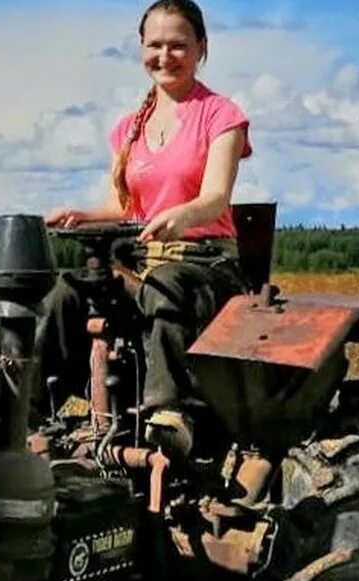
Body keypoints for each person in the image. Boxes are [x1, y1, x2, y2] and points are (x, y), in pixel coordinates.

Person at [44, 0, 252, 459]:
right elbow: (122, 208)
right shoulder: (128, 129)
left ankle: (169, 414)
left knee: (166, 284)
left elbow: (216, 197)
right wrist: (82, 215)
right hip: (142, 258)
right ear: (141, 48)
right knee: (67, 291)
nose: (165, 55)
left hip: (205, 263)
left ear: (201, 48)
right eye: (155, 45)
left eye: (178, 45)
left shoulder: (222, 115)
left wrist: (184, 217)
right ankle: (38, 407)